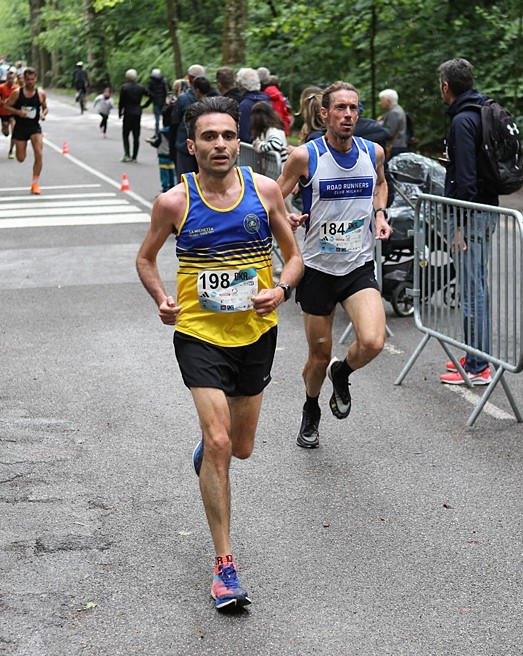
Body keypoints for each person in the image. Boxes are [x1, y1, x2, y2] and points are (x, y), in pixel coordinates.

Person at [135, 96, 303, 610]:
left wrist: (280, 290)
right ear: (192, 146)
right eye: (209, 137)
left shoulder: (266, 190)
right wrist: (163, 298)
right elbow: (145, 259)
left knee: (241, 446)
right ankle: (225, 567)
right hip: (200, 335)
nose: (221, 145)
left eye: (229, 136)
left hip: (256, 332)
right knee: (220, 440)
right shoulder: (174, 202)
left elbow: (292, 258)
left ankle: (211, 456)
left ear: (240, 142)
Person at [277, 81, 392, 449]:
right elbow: (273, 198)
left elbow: (381, 184)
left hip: (357, 266)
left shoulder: (372, 152)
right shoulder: (305, 157)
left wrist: (379, 214)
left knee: (373, 341)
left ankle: (342, 373)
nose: (347, 115)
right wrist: (288, 219)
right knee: (318, 356)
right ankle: (311, 407)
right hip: (317, 269)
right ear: (324, 113)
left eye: (354, 108)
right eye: (340, 108)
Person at [438, 57, 496, 386]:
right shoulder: (483, 110)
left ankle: (477, 365)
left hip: (471, 217)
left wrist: (458, 224)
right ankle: (476, 354)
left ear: (446, 87)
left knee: (472, 290)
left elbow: (466, 180)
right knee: (478, 287)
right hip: (488, 210)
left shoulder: (463, 120)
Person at [4, 67, 47, 195]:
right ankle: (21, 147)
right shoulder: (17, 93)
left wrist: (43, 114)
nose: (30, 82)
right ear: (24, 79)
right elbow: (6, 106)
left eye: (32, 79)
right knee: (21, 158)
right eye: (27, 79)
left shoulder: (41, 94)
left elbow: (45, 108)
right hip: (21, 127)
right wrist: (18, 112)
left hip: (34, 127)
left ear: (36, 79)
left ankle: (35, 183)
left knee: (39, 153)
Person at [171, 64, 205, 176]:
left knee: (185, 179)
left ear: (190, 79)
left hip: (184, 144)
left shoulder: (183, 98)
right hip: (204, 143)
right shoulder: (213, 96)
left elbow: (174, 121)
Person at [118, 68, 152, 163]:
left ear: (127, 77)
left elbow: (121, 102)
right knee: (136, 135)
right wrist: (144, 105)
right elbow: (151, 95)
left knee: (126, 134)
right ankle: (135, 156)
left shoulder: (125, 88)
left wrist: (120, 112)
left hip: (128, 112)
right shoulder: (140, 87)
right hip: (137, 112)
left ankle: (127, 154)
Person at [251, 101, 289, 169]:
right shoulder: (269, 129)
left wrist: (260, 146)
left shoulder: (272, 130)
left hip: (279, 170)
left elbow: (276, 144)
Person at [236, 68, 270, 143]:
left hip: (250, 151)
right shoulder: (268, 101)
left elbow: (243, 134)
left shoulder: (244, 106)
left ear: (241, 86)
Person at [378, 88, 407, 159]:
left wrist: (377, 126)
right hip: (398, 146)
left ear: (388, 101)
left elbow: (389, 133)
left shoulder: (394, 113)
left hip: (395, 147)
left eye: (382, 100)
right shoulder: (397, 110)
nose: (380, 103)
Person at [0, 67, 20, 158]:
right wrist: (4, 102)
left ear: (15, 79)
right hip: (3, 112)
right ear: (6, 78)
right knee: (6, 133)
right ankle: (4, 128)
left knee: (15, 130)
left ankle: (11, 151)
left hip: (13, 112)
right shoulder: (1, 87)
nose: (11, 80)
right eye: (9, 78)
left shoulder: (17, 88)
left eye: (12, 78)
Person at [147, 68, 169, 136]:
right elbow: (168, 90)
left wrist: (152, 96)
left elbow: (148, 91)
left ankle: (156, 133)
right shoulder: (164, 81)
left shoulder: (151, 82)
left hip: (156, 102)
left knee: (157, 119)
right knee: (165, 118)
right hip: (164, 102)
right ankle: (164, 132)